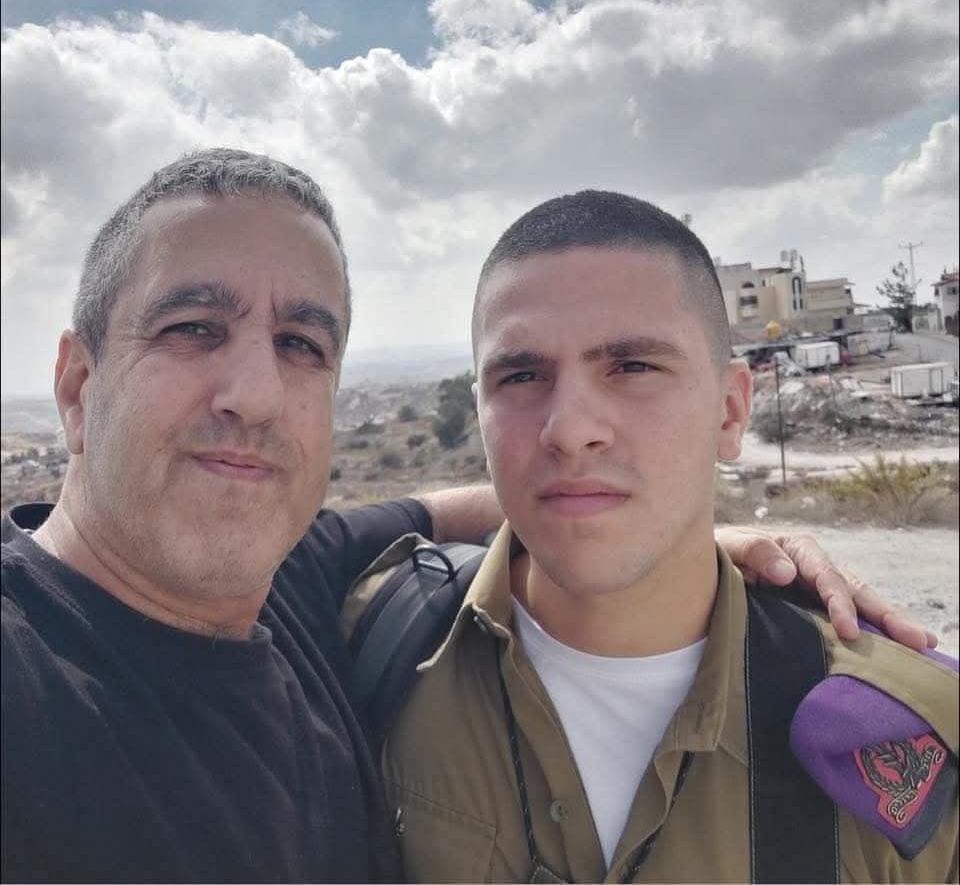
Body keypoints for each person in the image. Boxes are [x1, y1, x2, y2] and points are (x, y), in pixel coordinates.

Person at [0, 151, 937, 883]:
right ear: (77, 388)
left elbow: (457, 504)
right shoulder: (31, 676)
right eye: (191, 328)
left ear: (731, 409)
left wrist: (666, 524)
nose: (254, 391)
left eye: (300, 343)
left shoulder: (298, 581)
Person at [349, 191, 959, 883]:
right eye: (521, 375)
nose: (570, 429)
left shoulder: (908, 742)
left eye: (633, 367)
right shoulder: (374, 641)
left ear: (730, 411)